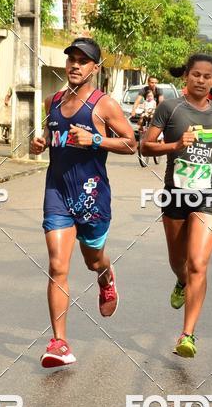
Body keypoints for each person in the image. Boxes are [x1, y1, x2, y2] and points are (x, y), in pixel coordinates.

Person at [31, 37, 135, 369]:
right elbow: (50, 137)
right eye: (71, 59)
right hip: (57, 193)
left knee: (93, 261)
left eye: (83, 60)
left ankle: (106, 276)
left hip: (92, 196)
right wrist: (40, 142)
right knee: (58, 266)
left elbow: (131, 144)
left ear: (95, 67)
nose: (75, 65)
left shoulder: (104, 105)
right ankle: (59, 342)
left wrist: (96, 139)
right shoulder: (53, 101)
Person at [141, 53, 212, 359]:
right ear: (187, 76)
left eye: (207, 76)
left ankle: (188, 334)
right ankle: (181, 282)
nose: (201, 80)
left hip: (209, 193)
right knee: (178, 261)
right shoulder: (170, 108)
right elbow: (145, 145)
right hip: (176, 194)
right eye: (196, 74)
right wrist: (175, 145)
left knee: (198, 263)